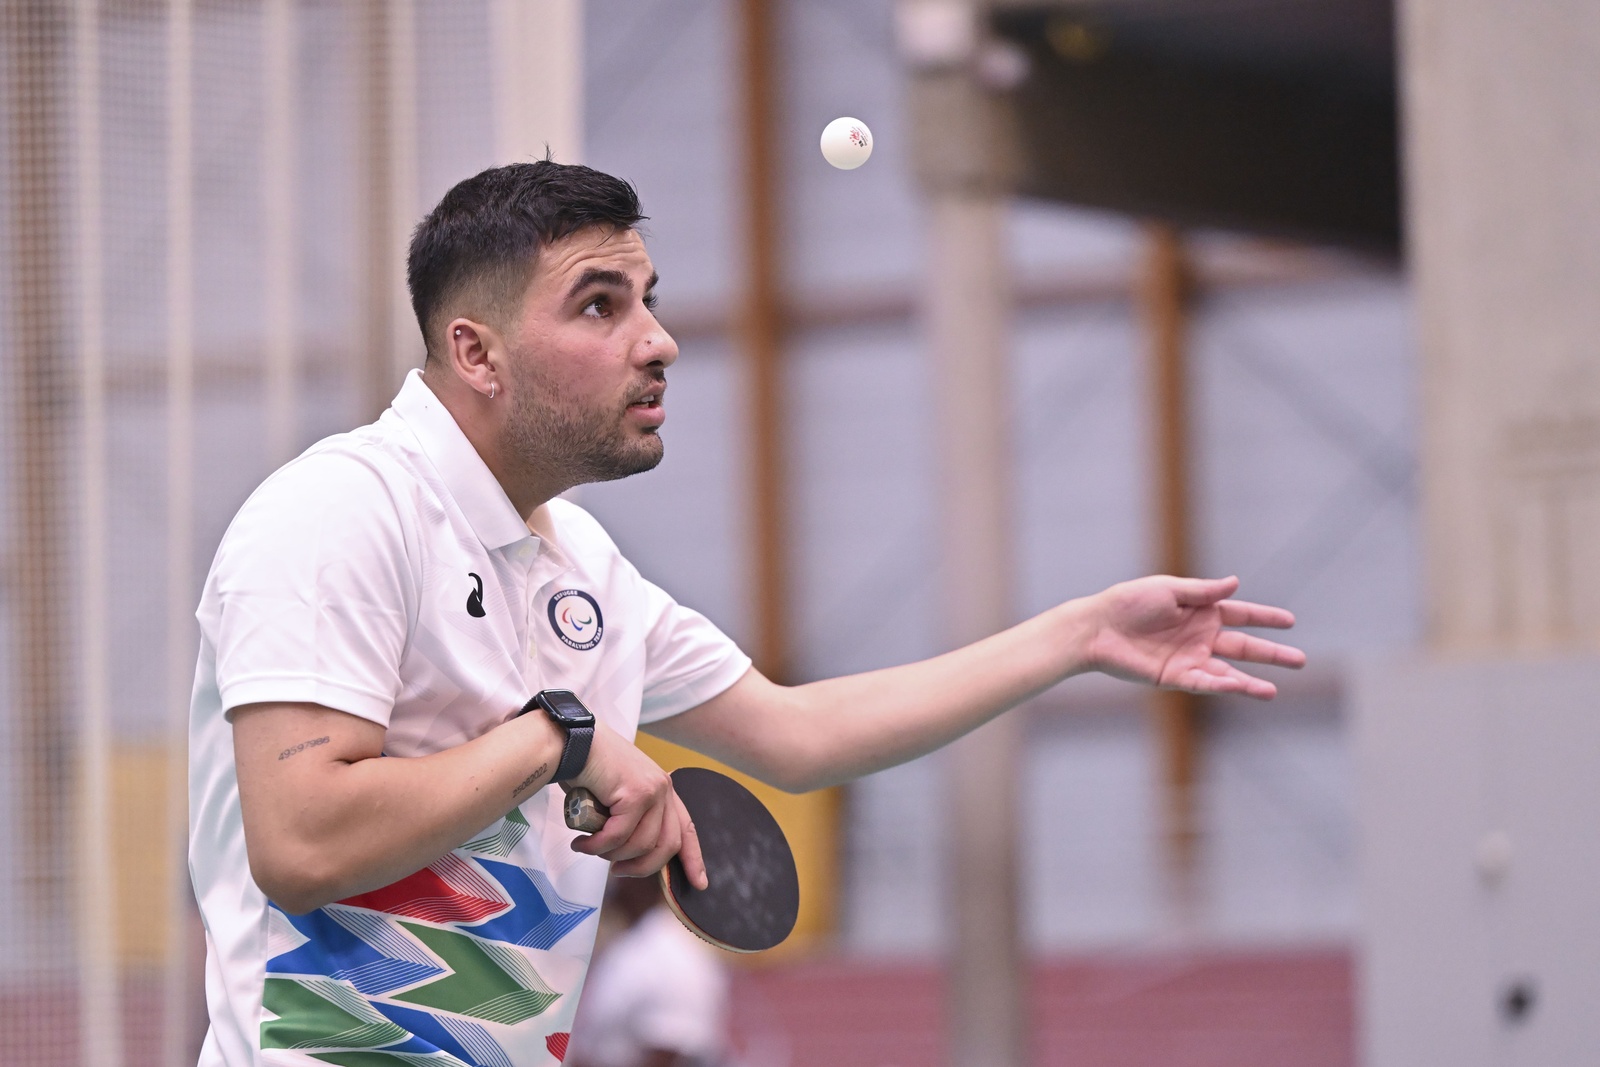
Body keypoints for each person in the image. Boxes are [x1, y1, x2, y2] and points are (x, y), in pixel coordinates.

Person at [188, 160, 1304, 1067]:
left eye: (649, 299)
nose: (658, 339)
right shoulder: (341, 512)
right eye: (599, 304)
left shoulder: (582, 571)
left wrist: (1072, 637)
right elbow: (301, 837)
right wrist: (563, 740)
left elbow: (796, 735)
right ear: (475, 351)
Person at [566, 874, 731, 1067]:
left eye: (617, 870)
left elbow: (669, 1053)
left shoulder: (674, 954)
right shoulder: (630, 942)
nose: (610, 881)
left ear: (640, 878)